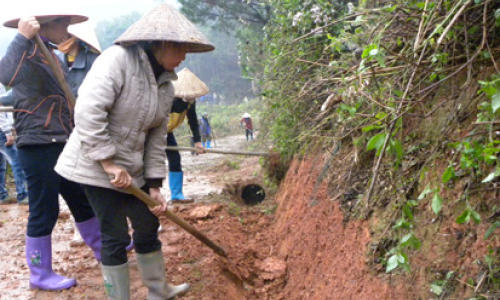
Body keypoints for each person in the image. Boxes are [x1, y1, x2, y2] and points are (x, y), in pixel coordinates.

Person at [54, 4, 214, 300]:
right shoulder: (117, 61)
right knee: (114, 235)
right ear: (164, 44)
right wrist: (109, 163)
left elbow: (156, 136)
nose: (183, 58)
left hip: (132, 168)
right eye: (181, 51)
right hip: (93, 165)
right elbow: (88, 113)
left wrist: (154, 184)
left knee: (147, 223)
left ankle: (158, 290)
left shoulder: (167, 84)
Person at [0, 11, 102, 290]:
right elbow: (5, 75)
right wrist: (22, 37)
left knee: (80, 198)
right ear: (45, 26)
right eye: (63, 24)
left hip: (63, 140)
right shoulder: (27, 53)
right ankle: (39, 273)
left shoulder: (54, 57)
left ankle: (104, 249)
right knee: (45, 210)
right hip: (38, 143)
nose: (68, 29)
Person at [167, 68, 208, 204]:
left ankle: (176, 194)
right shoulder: (168, 98)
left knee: (175, 159)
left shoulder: (191, 102)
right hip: (153, 131)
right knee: (150, 162)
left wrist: (198, 141)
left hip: (167, 132)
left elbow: (193, 121)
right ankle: (147, 196)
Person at [0, 108, 28, 205]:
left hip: (2, 129)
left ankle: (2, 195)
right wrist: (8, 132)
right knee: (17, 162)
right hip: (2, 131)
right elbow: (1, 110)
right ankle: (23, 195)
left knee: (1, 165)